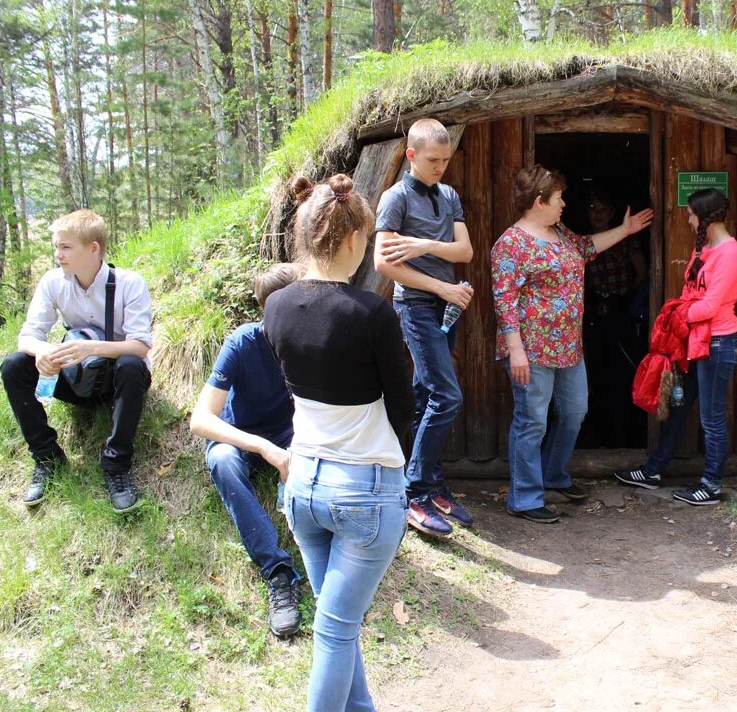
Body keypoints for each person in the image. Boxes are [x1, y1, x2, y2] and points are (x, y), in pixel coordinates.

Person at [264, 174, 413, 712]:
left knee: (337, 624)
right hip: (364, 488)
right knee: (334, 630)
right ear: (355, 241)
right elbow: (403, 405)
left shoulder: (275, 307)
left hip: (303, 484)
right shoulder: (373, 313)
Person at [492, 165, 652, 523]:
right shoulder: (511, 244)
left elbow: (586, 248)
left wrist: (625, 230)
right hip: (531, 350)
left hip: (568, 347)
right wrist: (515, 349)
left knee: (575, 411)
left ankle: (553, 474)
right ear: (539, 201)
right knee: (532, 421)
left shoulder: (560, 232)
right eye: (559, 198)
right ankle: (525, 497)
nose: (564, 203)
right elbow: (504, 301)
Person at [0, 209, 153, 512]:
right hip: (75, 378)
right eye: (56, 247)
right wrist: (42, 352)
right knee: (14, 365)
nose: (58, 255)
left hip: (119, 383)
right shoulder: (53, 283)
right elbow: (27, 336)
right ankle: (47, 459)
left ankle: (116, 464)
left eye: (66, 247)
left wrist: (92, 349)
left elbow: (140, 346)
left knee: (131, 365)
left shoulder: (129, 283)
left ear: (93, 248)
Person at [188, 262, 304, 638]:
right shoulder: (243, 342)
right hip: (240, 438)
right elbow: (201, 419)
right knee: (221, 460)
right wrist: (265, 449)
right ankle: (278, 572)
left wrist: (298, 448)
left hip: (296, 438)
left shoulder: (313, 340)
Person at [373, 117, 475, 538]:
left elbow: (464, 250)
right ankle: (414, 493)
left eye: (446, 160)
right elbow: (384, 264)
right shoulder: (394, 199)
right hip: (415, 306)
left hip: (445, 305)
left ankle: (432, 485)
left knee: (424, 397)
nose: (441, 167)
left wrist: (425, 246)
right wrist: (441, 285)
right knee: (446, 396)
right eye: (433, 160)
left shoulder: (448, 194)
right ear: (411, 155)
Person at [614, 188, 737, 505]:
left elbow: (711, 306)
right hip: (695, 341)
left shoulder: (729, 252)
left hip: (717, 343)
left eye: (690, 213)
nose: (686, 219)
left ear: (704, 216)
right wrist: (680, 317)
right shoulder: (705, 247)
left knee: (711, 419)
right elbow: (691, 292)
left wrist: (676, 316)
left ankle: (711, 485)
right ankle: (654, 471)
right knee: (680, 408)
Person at [583, 190, 648, 447]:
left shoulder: (627, 240)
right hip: (594, 311)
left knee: (623, 369)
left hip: (622, 309)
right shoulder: (584, 241)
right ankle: (598, 433)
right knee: (596, 370)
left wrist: (625, 300)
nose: (598, 214)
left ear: (612, 213)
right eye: (593, 208)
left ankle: (625, 432)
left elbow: (642, 272)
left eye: (603, 209)